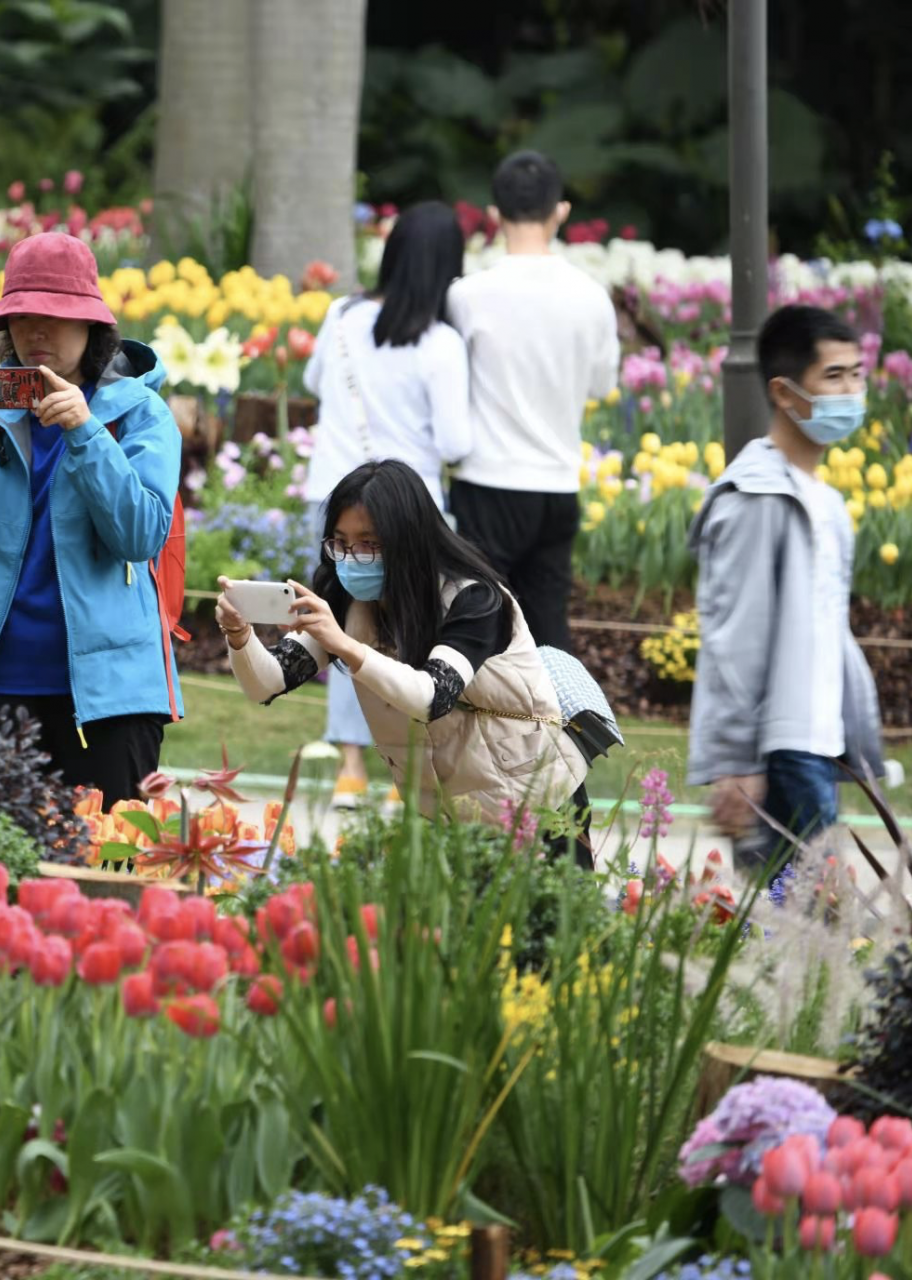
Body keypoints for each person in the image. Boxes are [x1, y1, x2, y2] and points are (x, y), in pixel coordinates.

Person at [0, 232, 183, 801]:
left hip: (109, 698)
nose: (35, 331)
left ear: (92, 325)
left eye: (54, 316)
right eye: (22, 316)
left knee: (105, 851)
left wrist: (85, 432)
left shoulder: (140, 413)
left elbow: (140, 536)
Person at [218, 460, 591, 863]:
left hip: (539, 807)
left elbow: (432, 696)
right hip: (452, 817)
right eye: (340, 543)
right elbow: (267, 682)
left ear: (408, 540)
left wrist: (345, 646)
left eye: (368, 544)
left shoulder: (475, 599)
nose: (351, 558)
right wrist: (240, 637)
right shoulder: (348, 603)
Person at [688, 305, 885, 872]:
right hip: (780, 754)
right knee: (796, 915)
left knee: (809, 916)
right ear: (783, 391)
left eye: (857, 375)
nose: (851, 392)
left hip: (819, 747)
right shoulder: (755, 498)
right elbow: (734, 638)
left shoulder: (825, 501)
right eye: (833, 376)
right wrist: (738, 762)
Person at [301, 200, 472, 809]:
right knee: (414, 637)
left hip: (335, 498)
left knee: (343, 626)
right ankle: (407, 773)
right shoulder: (440, 343)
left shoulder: (342, 316)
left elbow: (313, 383)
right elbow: (455, 442)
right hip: (406, 510)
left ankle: (350, 768)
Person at [446, 150, 620, 652]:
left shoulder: (468, 295)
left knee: (477, 629)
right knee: (548, 636)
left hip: (488, 480)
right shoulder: (592, 296)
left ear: (494, 213)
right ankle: (560, 709)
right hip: (557, 482)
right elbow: (601, 386)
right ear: (560, 211)